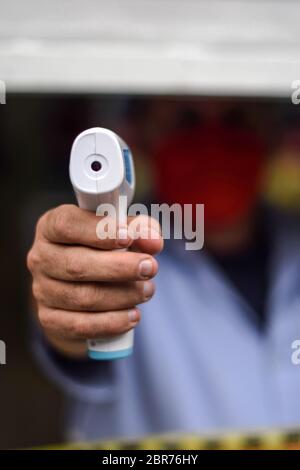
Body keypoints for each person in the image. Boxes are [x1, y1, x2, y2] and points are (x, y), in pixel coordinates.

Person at [27, 118, 300, 442]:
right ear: (142, 135)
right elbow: (72, 335)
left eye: (236, 118)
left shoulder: (291, 237)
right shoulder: (118, 242)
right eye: (185, 121)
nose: (212, 145)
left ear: (271, 134)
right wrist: (66, 294)